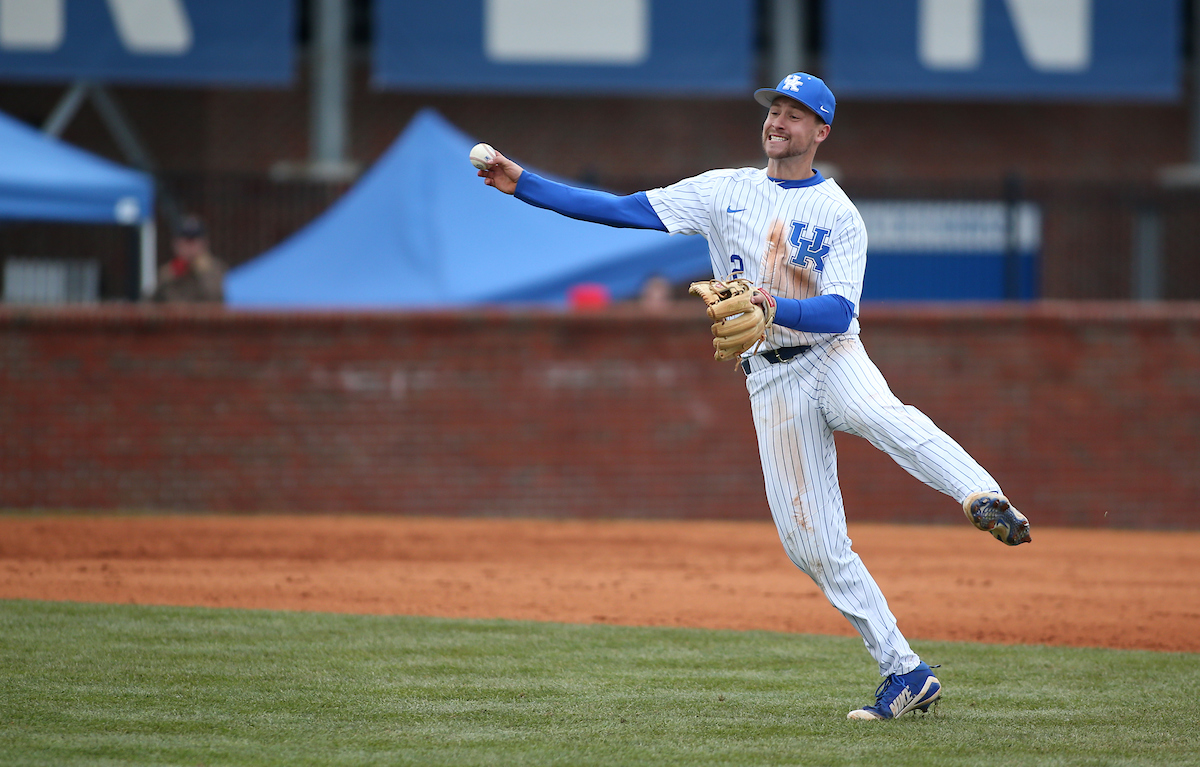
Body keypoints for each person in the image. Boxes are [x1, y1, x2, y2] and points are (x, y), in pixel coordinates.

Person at [475, 72, 1031, 721]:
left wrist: (774, 302)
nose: (778, 121)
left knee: (878, 413)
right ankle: (905, 671)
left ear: (820, 131)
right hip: (769, 377)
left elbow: (837, 310)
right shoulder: (722, 191)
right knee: (812, 545)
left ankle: (980, 493)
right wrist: (524, 186)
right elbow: (622, 209)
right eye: (775, 109)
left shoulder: (839, 213)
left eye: (795, 113)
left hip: (831, 354)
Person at [152, 215, 227, 303]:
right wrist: (169, 278)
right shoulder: (167, 272)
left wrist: (203, 273)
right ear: (175, 243)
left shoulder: (217, 270)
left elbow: (219, 299)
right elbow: (152, 304)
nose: (190, 246)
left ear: (205, 242)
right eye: (185, 240)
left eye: (194, 240)